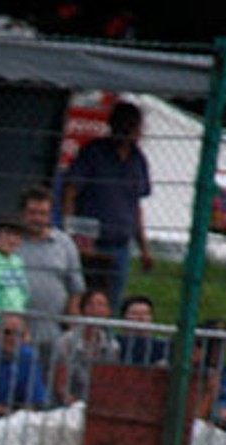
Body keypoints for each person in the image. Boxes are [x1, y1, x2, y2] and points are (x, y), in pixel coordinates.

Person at [61, 98, 153, 311]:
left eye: (135, 126)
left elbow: (137, 205)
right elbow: (70, 191)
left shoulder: (138, 159)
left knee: (109, 304)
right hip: (90, 243)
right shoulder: (93, 152)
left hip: (120, 244)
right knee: (81, 298)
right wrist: (71, 232)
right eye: (128, 125)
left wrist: (144, 248)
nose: (133, 131)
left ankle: (103, 340)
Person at [16, 183, 84, 347]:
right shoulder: (8, 241)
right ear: (22, 214)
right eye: (32, 213)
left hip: (52, 334)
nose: (38, 219)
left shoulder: (64, 243)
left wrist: (72, 329)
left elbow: (76, 290)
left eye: (43, 214)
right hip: (12, 332)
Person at [48, 289, 118, 406]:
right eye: (91, 305)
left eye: (101, 305)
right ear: (83, 309)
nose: (96, 310)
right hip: (67, 406)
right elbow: (61, 386)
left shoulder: (112, 346)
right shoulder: (66, 342)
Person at [115, 293, 168, 365]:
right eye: (135, 314)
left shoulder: (162, 346)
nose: (141, 318)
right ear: (123, 318)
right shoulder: (114, 343)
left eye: (146, 314)